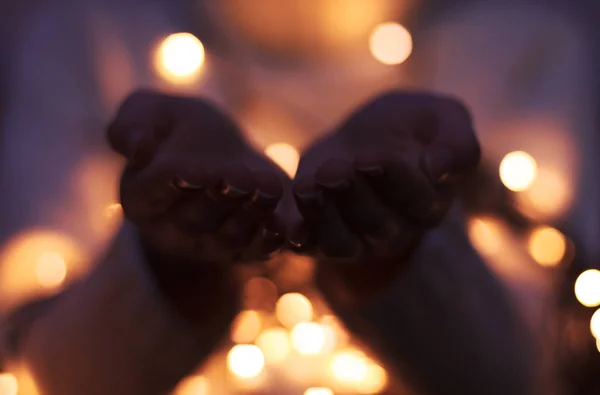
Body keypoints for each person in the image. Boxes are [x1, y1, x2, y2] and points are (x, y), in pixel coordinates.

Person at [0, 1, 560, 394]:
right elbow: (44, 373)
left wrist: (394, 258)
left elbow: (544, 372)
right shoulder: (91, 36)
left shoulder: (527, 49)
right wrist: (174, 269)